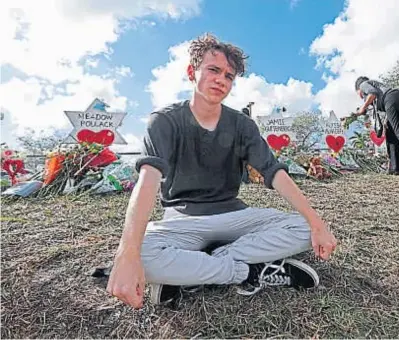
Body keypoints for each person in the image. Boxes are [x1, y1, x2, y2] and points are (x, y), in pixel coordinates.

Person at [106, 33, 337, 308]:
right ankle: (248, 271)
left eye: (229, 76)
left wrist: (317, 224)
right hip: (183, 219)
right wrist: (127, 253)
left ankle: (196, 266)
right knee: (137, 255)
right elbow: (148, 181)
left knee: (304, 228)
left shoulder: (242, 125)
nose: (221, 80)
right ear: (192, 72)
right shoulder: (164, 121)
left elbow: (274, 172)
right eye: (213, 70)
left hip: (234, 215)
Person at [354, 77, 399, 179]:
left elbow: (372, 93)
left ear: (358, 90)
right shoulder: (377, 85)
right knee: (391, 134)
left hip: (391, 100)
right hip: (398, 99)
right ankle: (396, 169)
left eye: (359, 94)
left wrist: (362, 108)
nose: (361, 97)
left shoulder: (363, 84)